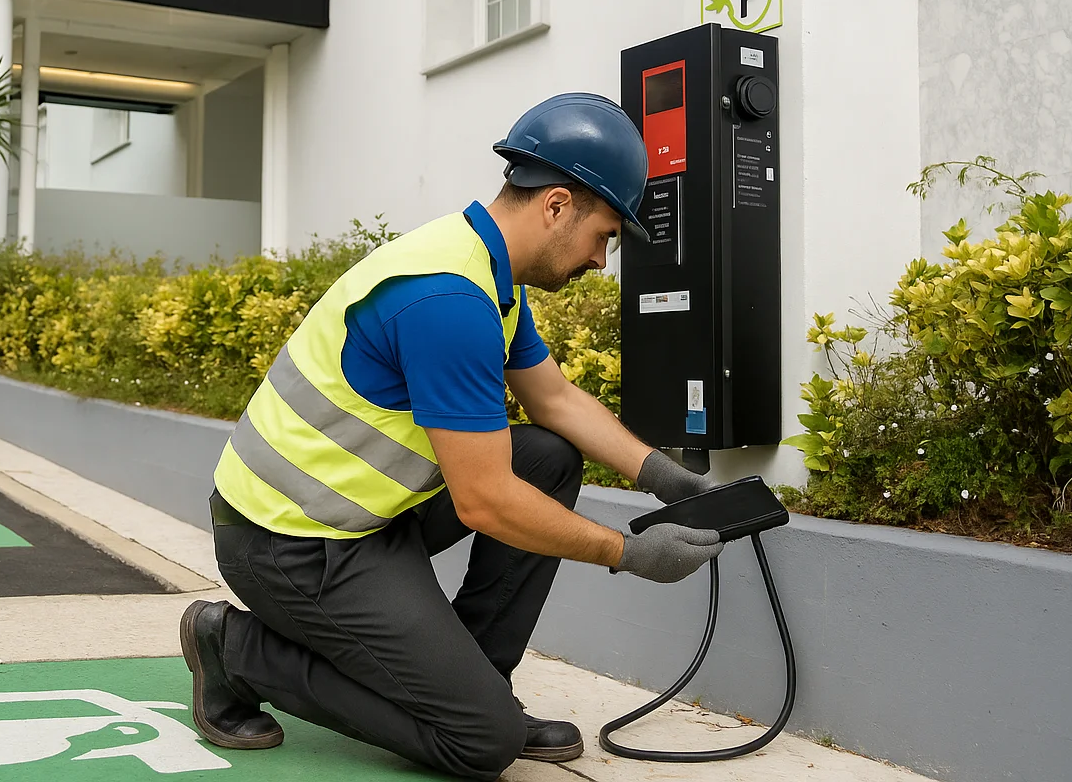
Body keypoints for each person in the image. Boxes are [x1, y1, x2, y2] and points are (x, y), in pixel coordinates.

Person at [179, 93, 723, 780]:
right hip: (287, 546)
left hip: (364, 519)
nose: (600, 261)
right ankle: (235, 649)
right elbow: (486, 502)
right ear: (556, 206)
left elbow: (553, 399)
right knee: (481, 745)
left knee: (548, 459)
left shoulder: (488, 270)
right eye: (605, 236)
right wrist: (629, 553)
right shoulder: (448, 300)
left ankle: (473, 687)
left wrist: (661, 475)